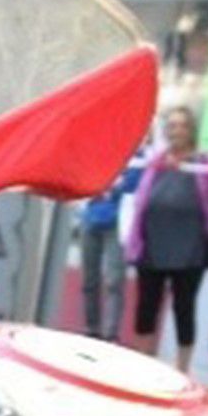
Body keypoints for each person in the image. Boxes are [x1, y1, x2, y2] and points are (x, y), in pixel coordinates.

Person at [127, 106, 208, 370]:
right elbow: (136, 194)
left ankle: (182, 368)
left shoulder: (205, 164)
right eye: (172, 126)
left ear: (192, 130)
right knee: (146, 306)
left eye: (182, 125)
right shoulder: (156, 161)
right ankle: (141, 363)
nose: (177, 131)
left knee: (183, 307)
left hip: (190, 250)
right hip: (152, 246)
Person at [81, 145, 142, 339]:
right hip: (90, 217)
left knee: (114, 280)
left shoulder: (139, 155)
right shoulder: (101, 148)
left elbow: (136, 184)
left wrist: (115, 183)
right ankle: (92, 328)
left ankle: (110, 333)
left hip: (118, 222)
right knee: (89, 278)